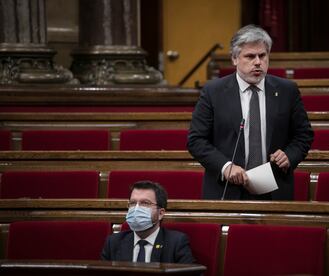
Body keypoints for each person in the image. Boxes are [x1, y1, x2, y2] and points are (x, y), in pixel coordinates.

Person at [187, 25, 313, 200]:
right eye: (250, 56)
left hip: (274, 188)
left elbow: (304, 135)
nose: (258, 62)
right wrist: (225, 166)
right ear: (234, 59)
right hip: (226, 190)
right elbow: (196, 140)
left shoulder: (287, 90)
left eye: (262, 55)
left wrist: (289, 156)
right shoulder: (213, 91)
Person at [101, 180, 194, 263]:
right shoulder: (113, 242)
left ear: (161, 213)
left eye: (145, 203)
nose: (136, 209)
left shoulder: (176, 242)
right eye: (133, 203)